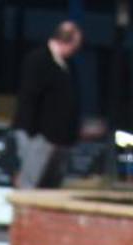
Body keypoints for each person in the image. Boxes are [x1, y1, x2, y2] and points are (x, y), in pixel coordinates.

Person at [13, 21, 82, 190]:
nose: (77, 49)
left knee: (51, 186)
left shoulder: (68, 65)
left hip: (61, 140)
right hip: (39, 135)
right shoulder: (38, 60)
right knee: (30, 182)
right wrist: (33, 132)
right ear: (65, 41)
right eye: (75, 44)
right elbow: (29, 98)